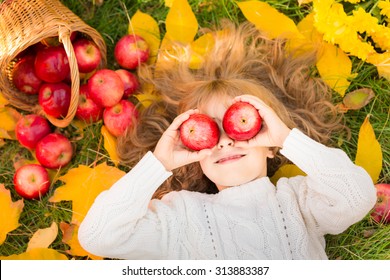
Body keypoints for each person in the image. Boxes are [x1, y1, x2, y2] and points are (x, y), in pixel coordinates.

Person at [78, 20, 377, 259]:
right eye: (209, 130)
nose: (224, 141)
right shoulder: (181, 216)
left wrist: (288, 139)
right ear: (194, 155)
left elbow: (357, 197)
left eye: (239, 126)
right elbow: (98, 236)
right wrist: (158, 164)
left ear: (271, 145)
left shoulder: (298, 201)